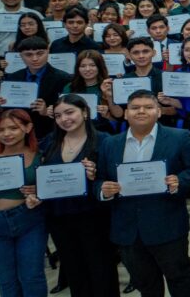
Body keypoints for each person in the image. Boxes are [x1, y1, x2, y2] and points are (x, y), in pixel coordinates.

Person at [97, 90, 190, 297]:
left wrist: (180, 181)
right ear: (125, 114)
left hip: (167, 224)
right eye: (134, 108)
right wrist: (103, 190)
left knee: (180, 280)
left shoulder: (179, 137)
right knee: (146, 285)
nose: (141, 111)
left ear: (159, 112)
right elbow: (99, 178)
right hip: (128, 229)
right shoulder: (109, 143)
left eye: (148, 107)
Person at [40, 95, 117, 295]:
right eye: (58, 115)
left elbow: (113, 177)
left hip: (93, 217)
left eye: (69, 112)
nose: (64, 119)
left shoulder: (104, 140)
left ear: (84, 112)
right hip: (59, 217)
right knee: (74, 271)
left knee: (101, 270)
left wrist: (95, 174)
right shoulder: (49, 142)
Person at [0, 109, 48, 297]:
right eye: (1, 129)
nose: (7, 134)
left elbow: (50, 188)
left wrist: (39, 193)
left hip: (29, 220)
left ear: (28, 127)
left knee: (32, 277)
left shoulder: (41, 156)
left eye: (13, 128)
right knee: (7, 281)